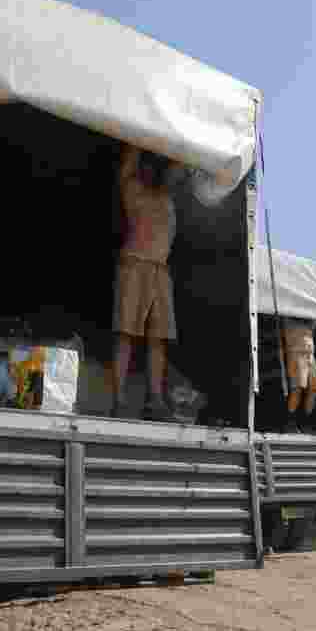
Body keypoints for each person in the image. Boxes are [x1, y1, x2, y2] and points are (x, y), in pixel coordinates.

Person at [111, 144, 182, 422]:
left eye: (156, 168)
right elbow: (130, 154)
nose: (151, 171)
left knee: (158, 340)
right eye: (147, 167)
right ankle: (118, 401)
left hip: (160, 272)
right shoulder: (132, 190)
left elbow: (180, 162)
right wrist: (144, 138)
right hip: (134, 266)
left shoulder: (167, 196)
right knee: (125, 335)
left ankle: (155, 400)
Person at [281, 317, 316, 433]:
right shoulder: (287, 320)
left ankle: (306, 424)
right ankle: (290, 423)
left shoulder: (308, 322)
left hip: (310, 355)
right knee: (298, 389)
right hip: (296, 354)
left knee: (315, 388)